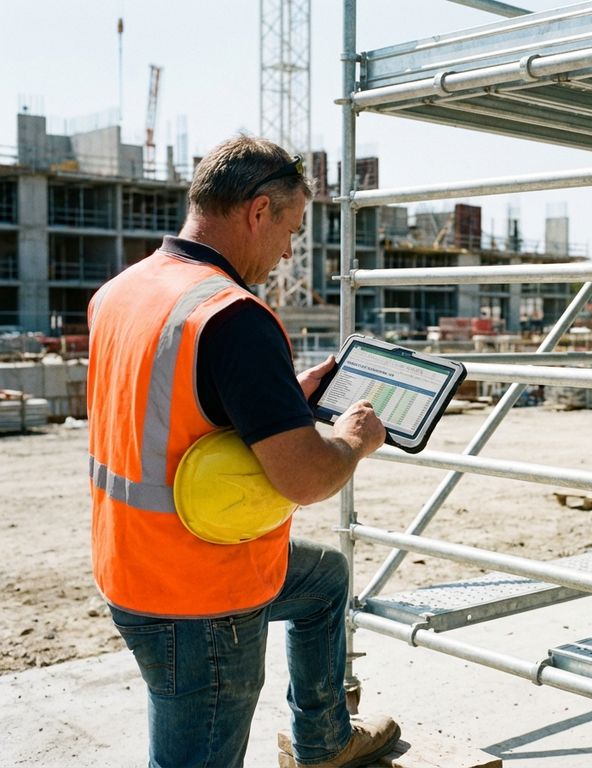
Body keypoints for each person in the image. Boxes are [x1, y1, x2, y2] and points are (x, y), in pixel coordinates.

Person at [86, 135, 400, 768]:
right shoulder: (234, 316)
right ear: (258, 211)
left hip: (131, 561)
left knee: (322, 580)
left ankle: (325, 740)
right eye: (290, 229)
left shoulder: (123, 290)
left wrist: (287, 395)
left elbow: (183, 403)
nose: (289, 251)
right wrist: (352, 441)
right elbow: (306, 479)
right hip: (200, 594)